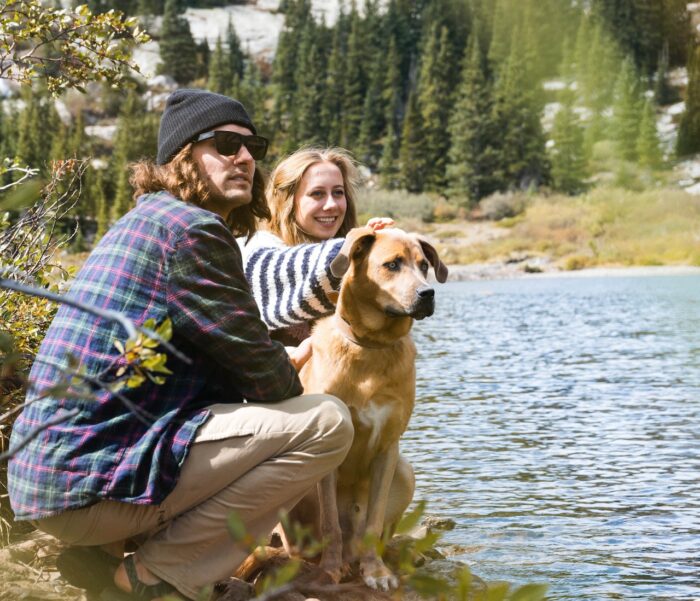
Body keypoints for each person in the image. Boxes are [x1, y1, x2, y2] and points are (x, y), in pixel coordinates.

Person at [7, 90, 354, 601]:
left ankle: (112, 553)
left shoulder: (147, 220)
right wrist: (284, 360)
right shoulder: (194, 232)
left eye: (251, 146)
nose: (245, 158)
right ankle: (153, 576)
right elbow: (268, 382)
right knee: (326, 422)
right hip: (89, 488)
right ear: (181, 157)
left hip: (48, 483)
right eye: (224, 144)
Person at [238, 147, 415, 548]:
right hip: (275, 437)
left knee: (395, 460)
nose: (331, 204)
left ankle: (364, 544)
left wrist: (384, 252)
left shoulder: (345, 251)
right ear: (286, 200)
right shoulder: (259, 249)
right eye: (317, 194)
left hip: (331, 434)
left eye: (339, 193)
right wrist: (360, 252)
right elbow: (293, 283)